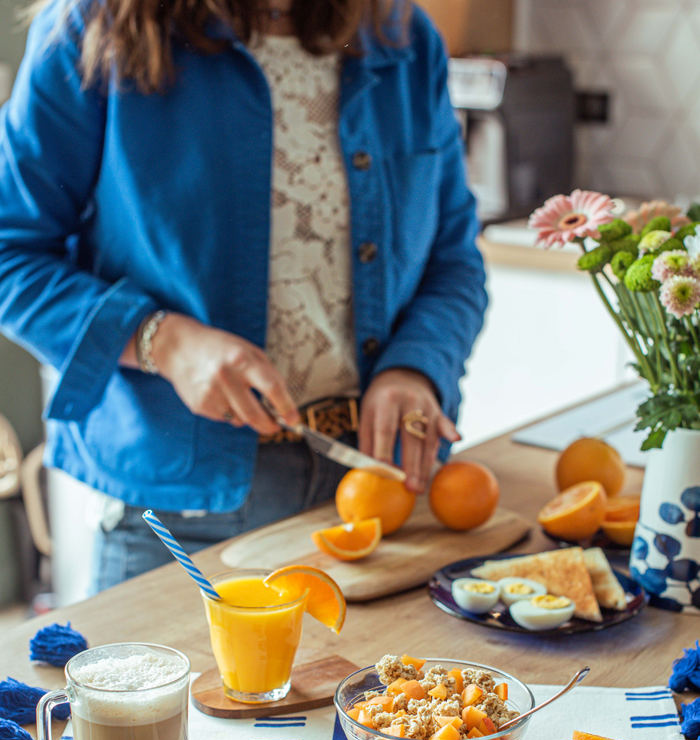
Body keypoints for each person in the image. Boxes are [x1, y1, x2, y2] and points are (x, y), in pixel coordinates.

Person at [0, 0, 487, 591]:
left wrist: (418, 366)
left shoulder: (402, 35)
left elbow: (454, 259)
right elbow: (12, 254)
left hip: (381, 499)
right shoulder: (91, 26)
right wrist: (162, 340)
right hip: (185, 515)